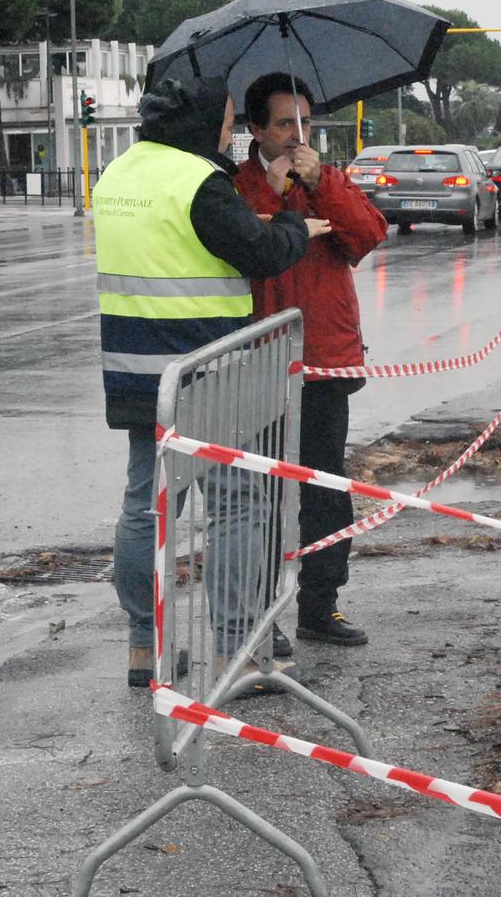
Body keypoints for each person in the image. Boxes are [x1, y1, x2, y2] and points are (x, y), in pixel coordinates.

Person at [93, 75, 326, 688]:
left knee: (145, 507)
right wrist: (298, 229)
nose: (227, 130)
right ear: (197, 122)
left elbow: (175, 245)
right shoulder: (200, 182)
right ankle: (236, 650)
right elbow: (262, 252)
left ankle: (146, 648)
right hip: (208, 375)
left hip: (136, 372)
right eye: (224, 119)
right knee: (237, 506)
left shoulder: (118, 174)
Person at [235, 73, 389, 650]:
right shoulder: (236, 187)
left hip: (324, 358)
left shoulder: (328, 180)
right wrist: (273, 198)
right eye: (283, 124)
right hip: (258, 362)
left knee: (325, 487)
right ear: (255, 130)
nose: (297, 135)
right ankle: (258, 616)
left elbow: (369, 234)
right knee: (262, 496)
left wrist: (322, 181)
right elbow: (239, 245)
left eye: (304, 122)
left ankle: (320, 604)